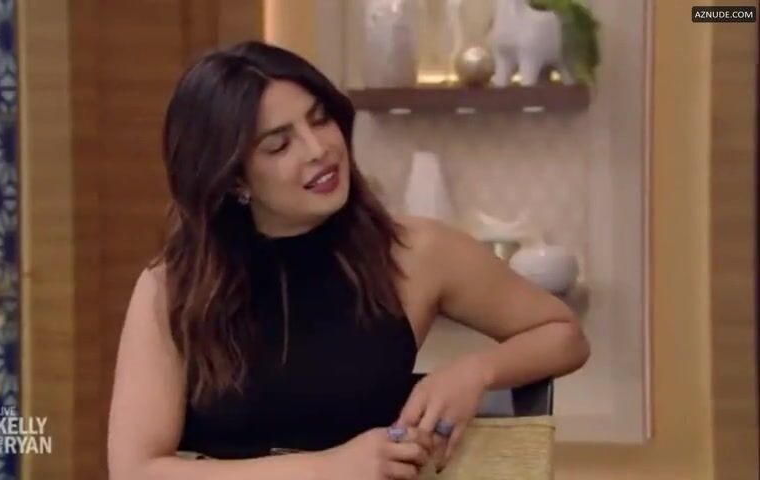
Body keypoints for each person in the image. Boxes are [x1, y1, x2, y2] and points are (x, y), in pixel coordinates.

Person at [107, 41, 589, 480]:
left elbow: (562, 334)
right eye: (279, 144)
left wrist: (473, 372)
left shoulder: (414, 252)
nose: (319, 150)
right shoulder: (172, 287)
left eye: (319, 120)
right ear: (234, 178)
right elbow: (135, 470)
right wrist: (327, 469)